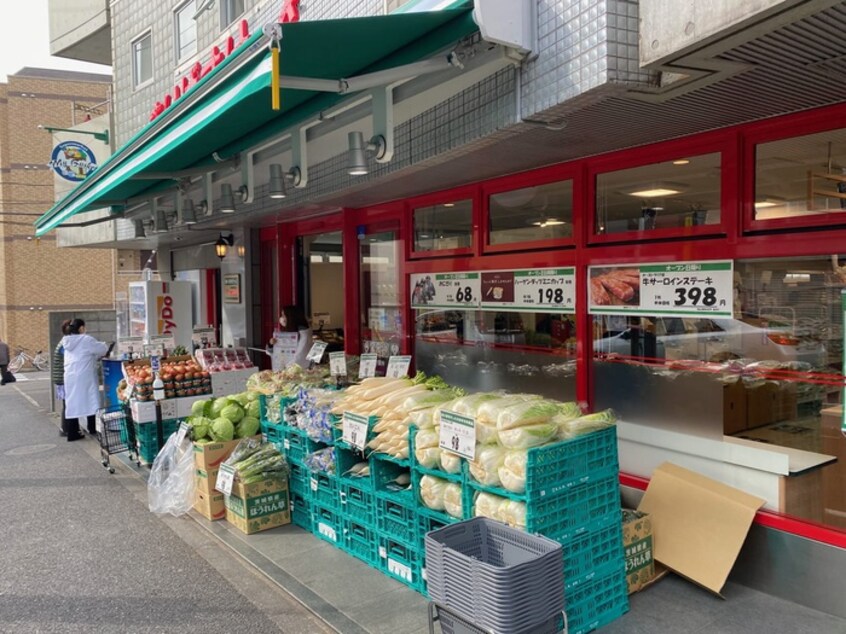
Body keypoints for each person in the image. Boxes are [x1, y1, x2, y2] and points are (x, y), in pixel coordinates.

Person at [61, 318, 108, 442]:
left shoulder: (66, 341)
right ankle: (92, 428)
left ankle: (72, 432)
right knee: (91, 399)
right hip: (84, 375)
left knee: (72, 403)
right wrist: (105, 345)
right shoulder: (86, 339)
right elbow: (102, 349)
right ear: (81, 328)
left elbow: (83, 354)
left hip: (70, 375)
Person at [267, 305, 312, 370]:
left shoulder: (304, 335)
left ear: (291, 317)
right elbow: (276, 353)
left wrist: (285, 369)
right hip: (285, 372)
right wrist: (271, 345)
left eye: (283, 315)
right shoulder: (288, 332)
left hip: (296, 374)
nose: (281, 318)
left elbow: (300, 358)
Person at [52, 320, 73, 437]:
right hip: (63, 378)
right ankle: (65, 429)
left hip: (61, 378)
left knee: (67, 404)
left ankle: (66, 428)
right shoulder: (65, 344)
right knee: (67, 405)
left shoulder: (64, 342)